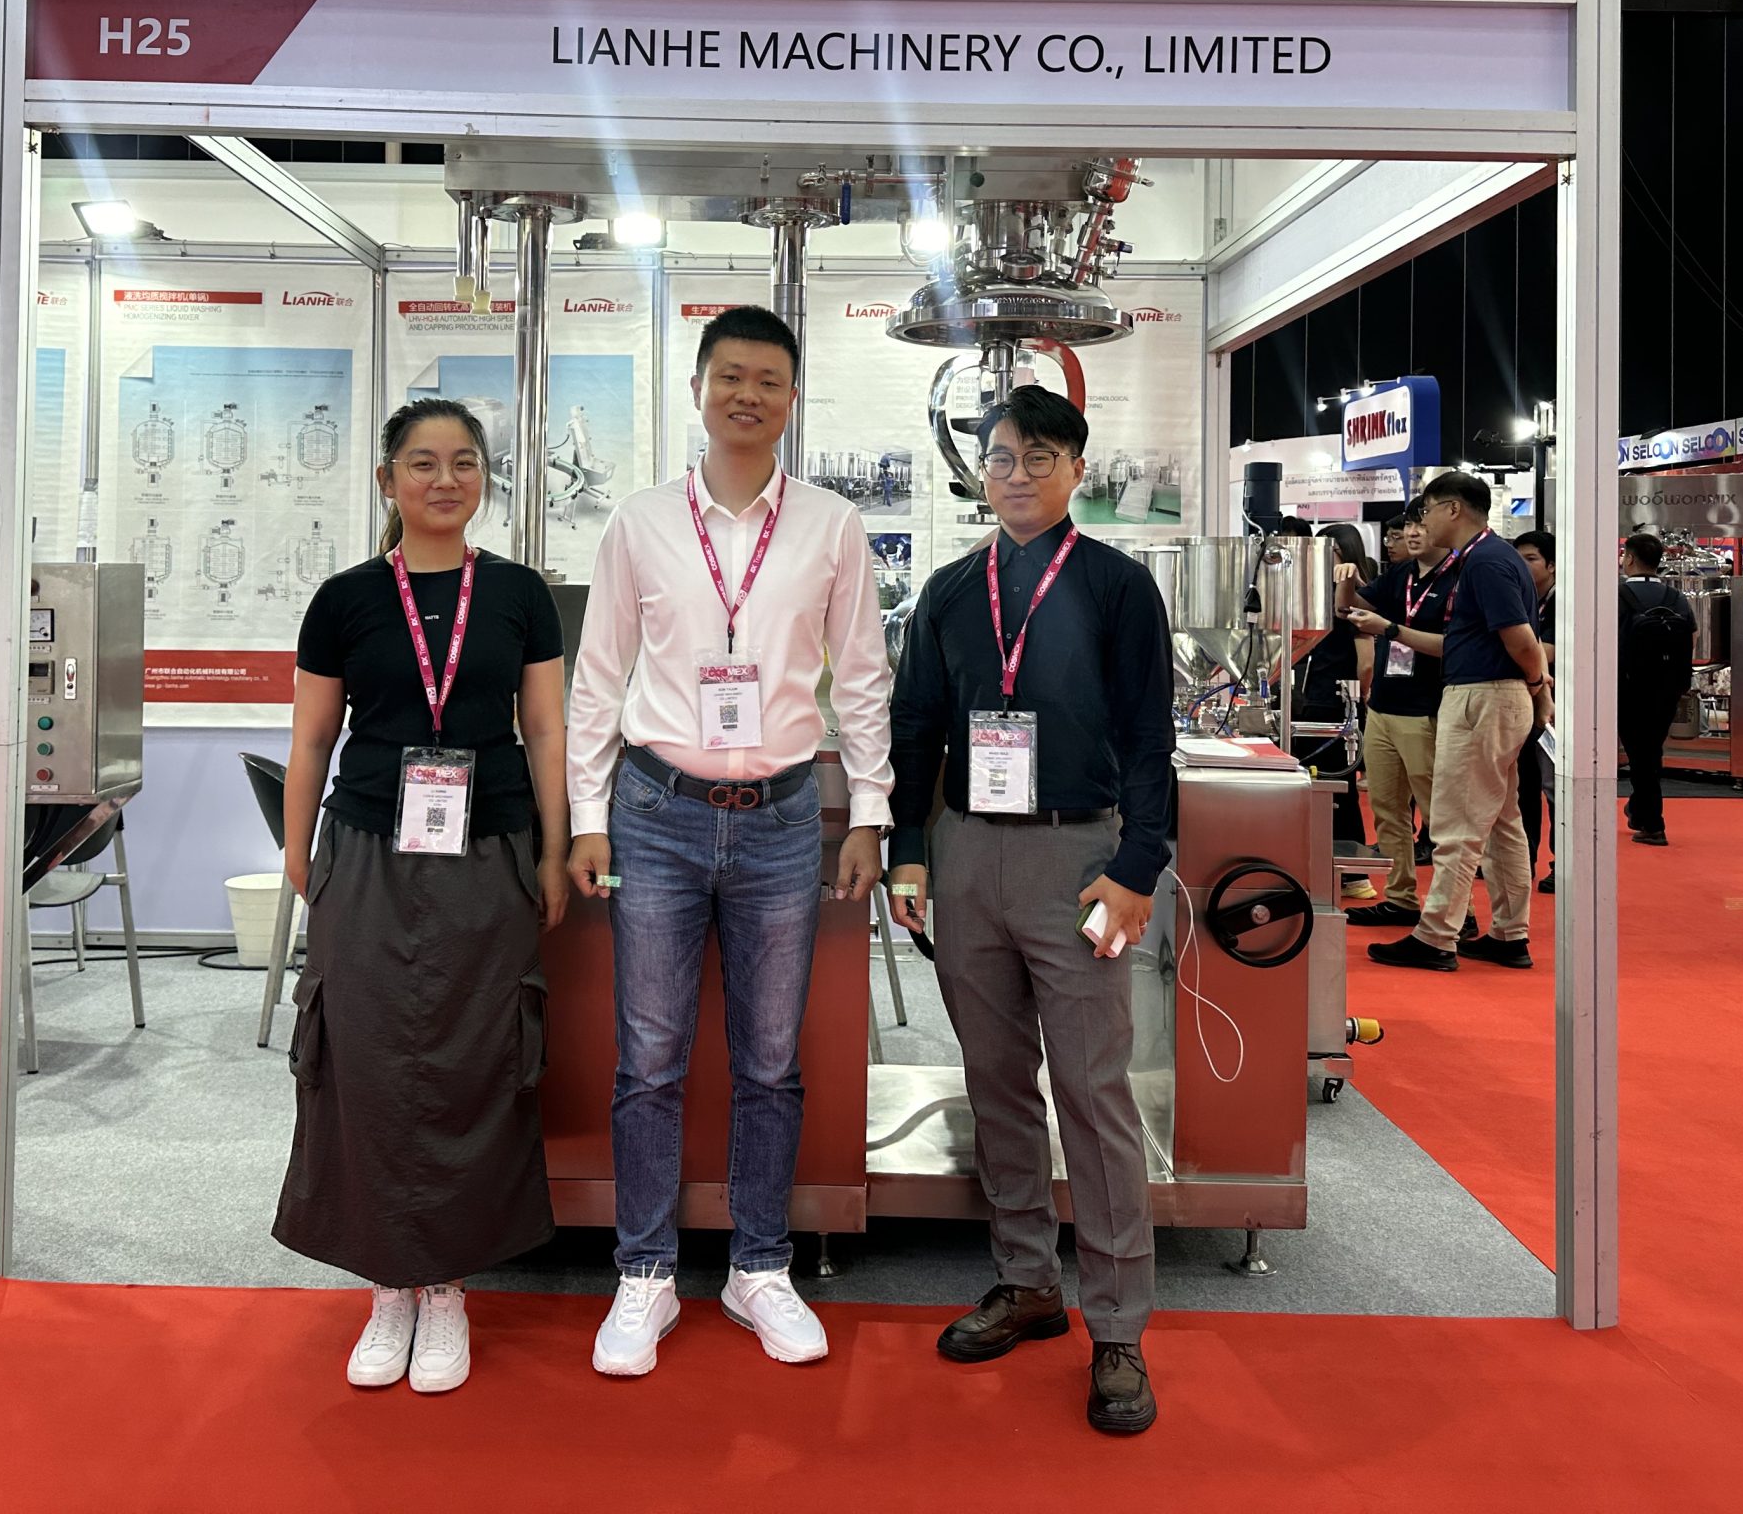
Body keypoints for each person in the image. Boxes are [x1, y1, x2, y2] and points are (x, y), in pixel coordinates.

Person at [564, 306, 893, 1376]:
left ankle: (759, 1265)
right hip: (655, 814)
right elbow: (597, 679)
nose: (748, 395)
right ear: (700, 388)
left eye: (769, 381)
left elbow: (862, 678)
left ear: (792, 400)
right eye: (730, 377)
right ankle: (645, 1273)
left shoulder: (832, 525)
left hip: (784, 820)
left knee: (770, 1060)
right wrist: (586, 817)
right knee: (648, 1059)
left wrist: (872, 810)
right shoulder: (640, 522)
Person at [885, 386, 1175, 1437]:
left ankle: (1118, 1326)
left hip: (1079, 859)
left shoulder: (1116, 585)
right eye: (1000, 457)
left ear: (1075, 471)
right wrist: (909, 852)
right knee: (996, 1080)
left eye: (1038, 456)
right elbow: (916, 728)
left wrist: (1137, 867)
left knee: (1094, 1093)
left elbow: (1149, 737)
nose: (1015, 474)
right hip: (967, 854)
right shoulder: (951, 591)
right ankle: (1026, 1279)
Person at [274, 397, 572, 1396]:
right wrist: (297, 851)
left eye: (464, 463)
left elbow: (546, 729)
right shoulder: (346, 599)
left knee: (475, 1059)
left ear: (484, 477)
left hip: (489, 847)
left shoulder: (520, 594)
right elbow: (313, 736)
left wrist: (553, 848)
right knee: (361, 1058)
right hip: (367, 847)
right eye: (422, 463)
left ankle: (446, 1286)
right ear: (387, 481)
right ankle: (387, 1284)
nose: (446, 480)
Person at [1345, 470, 1549, 971]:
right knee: (1502, 823)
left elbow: (1521, 638)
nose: (1421, 523)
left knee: (1456, 824)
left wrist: (1538, 684)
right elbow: (1483, 640)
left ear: (1453, 509)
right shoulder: (1484, 559)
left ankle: (1437, 936)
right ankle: (1509, 933)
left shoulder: (1485, 561)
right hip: (1489, 695)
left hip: (1482, 697)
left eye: (1428, 511)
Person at [1345, 508, 1449, 928]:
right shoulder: (1401, 576)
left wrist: (1389, 629)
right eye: (1407, 527)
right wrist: (1346, 580)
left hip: (1426, 709)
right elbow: (1349, 608)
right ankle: (1400, 898)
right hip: (1383, 707)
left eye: (1420, 524)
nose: (1411, 533)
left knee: (1439, 817)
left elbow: (1450, 644)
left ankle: (1456, 910)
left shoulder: (1457, 577)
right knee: (1387, 810)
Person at [1294, 522, 1376, 866]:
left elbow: (1366, 661)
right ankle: (1316, 863)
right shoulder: (1314, 594)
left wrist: (1361, 698)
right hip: (1309, 700)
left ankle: (1351, 872)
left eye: (1330, 551)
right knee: (1310, 786)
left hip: (1336, 704)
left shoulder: (1356, 595)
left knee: (1337, 788)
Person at [1618, 534, 1696, 847]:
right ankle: (1640, 811)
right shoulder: (1675, 596)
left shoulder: (1617, 595)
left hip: (1628, 685)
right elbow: (1691, 636)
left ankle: (1652, 822)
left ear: (1629, 558)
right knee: (1650, 749)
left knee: (1641, 753)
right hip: (1668, 686)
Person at [1513, 529, 1557, 889]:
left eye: (1531, 559)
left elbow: (1550, 651)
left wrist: (1515, 645)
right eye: (1519, 559)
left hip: (1559, 706)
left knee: (1555, 788)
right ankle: (1522, 860)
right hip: (1526, 700)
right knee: (1524, 785)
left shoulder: (1562, 601)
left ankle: (1563, 864)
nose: (1522, 566)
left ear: (1552, 565)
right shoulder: (1524, 597)